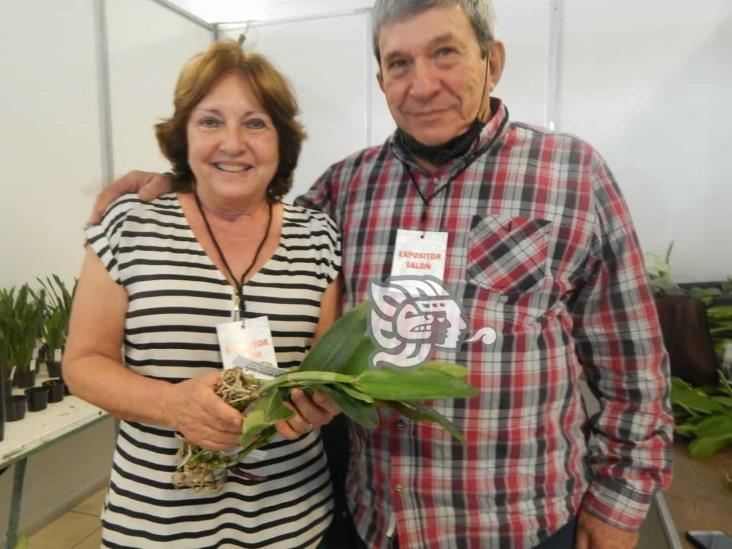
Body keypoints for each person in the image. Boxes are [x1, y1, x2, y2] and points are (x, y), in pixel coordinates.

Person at [88, 1, 674, 548]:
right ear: (381, 82)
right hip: (377, 522)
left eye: (444, 53)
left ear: (492, 62)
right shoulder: (346, 188)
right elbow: (252, 208)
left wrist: (617, 508)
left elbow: (635, 367)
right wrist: (175, 185)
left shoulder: (572, 174)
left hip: (517, 523)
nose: (421, 85)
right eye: (399, 63)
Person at [64, 40, 343, 548]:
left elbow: (326, 366)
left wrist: (322, 402)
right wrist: (171, 404)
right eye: (210, 121)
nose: (232, 143)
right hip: (155, 524)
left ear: (282, 139)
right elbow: (82, 362)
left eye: (255, 123)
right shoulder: (130, 225)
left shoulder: (317, 236)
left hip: (292, 522)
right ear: (183, 137)